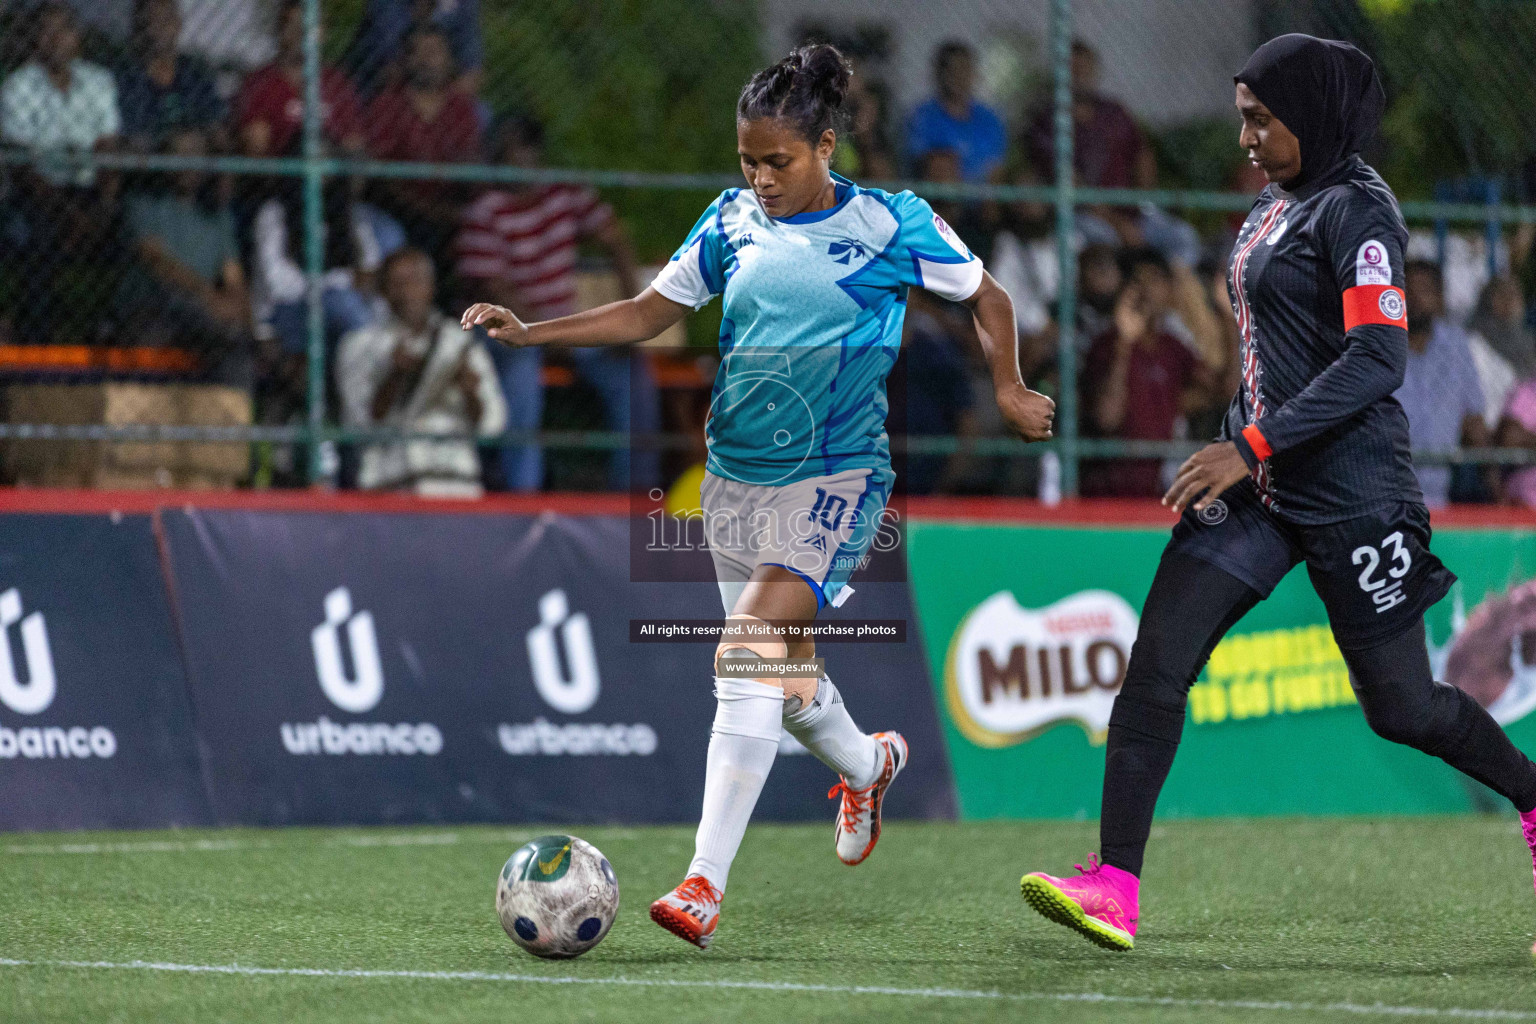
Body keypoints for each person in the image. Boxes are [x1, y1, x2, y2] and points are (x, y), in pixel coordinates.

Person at [462, 44, 1054, 949]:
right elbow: (647, 311)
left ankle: (703, 882)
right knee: (780, 681)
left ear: (825, 146)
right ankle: (869, 764)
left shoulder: (895, 224)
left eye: (778, 161)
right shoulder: (731, 221)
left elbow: (991, 298)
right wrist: (531, 331)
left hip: (838, 480)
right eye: (748, 161)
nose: (761, 177)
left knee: (745, 652)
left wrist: (1008, 388)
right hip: (735, 489)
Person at [1019, 35, 1536, 952]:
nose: (1247, 137)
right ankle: (1113, 885)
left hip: (1354, 491)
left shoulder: (1359, 214)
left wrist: (1249, 440)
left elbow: (1376, 361)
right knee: (1159, 662)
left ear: (1315, 113)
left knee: (1404, 709)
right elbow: (1272, 350)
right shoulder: (1272, 206)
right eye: (1241, 118)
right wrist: (1236, 438)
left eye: (1262, 118)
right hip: (1261, 482)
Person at [454, 113, 656, 492]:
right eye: (507, 151)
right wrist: (549, 335)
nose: (516, 159)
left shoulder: (564, 192)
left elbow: (616, 240)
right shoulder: (484, 212)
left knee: (631, 372)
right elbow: (500, 301)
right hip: (505, 332)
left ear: (536, 153)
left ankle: (634, 496)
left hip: (562, 328)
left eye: (523, 149)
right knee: (520, 369)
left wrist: (635, 312)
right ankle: (522, 498)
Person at [0, 1, 122, 343]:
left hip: (91, 192)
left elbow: (108, 149)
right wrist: (70, 217)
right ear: (34, 39)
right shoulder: (17, 87)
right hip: (40, 196)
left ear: (77, 37)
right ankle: (38, 339)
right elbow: (23, 169)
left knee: (131, 229)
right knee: (31, 238)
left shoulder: (99, 81)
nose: (55, 39)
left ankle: (112, 331)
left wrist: (103, 206)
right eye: (46, 31)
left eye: (63, 30)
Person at [339, 248, 504, 496]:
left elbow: (493, 424)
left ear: (431, 287)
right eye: (397, 284)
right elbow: (357, 425)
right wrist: (394, 377)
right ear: (383, 292)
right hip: (390, 485)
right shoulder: (360, 346)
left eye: (416, 281)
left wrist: (471, 394)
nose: (407, 292)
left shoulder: (461, 344)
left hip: (455, 483)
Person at [1080, 249, 1222, 498]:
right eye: (1138, 281)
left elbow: (1222, 392)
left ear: (1168, 290)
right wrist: (1124, 344)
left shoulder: (1173, 346)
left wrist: (1226, 316)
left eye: (1155, 280)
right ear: (1125, 289)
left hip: (1161, 493)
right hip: (1108, 495)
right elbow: (1107, 418)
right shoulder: (1105, 346)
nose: (1146, 290)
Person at [116, 128, 252, 386]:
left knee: (239, 337)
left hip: (202, 315)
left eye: (195, 153)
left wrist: (241, 309)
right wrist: (209, 296)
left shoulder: (216, 213)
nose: (187, 161)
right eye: (179, 153)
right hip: (153, 307)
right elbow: (157, 261)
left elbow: (233, 275)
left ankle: (233, 421)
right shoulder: (145, 201)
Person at [365, 24, 480, 262]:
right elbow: (382, 177)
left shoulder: (461, 108)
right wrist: (428, 210)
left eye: (435, 52)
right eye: (419, 52)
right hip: (401, 207)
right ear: (406, 59)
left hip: (449, 206)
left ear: (449, 60)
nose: (427, 60)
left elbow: (470, 163)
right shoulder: (387, 103)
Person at [1397, 260, 1496, 507]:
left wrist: (1497, 491)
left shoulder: (1456, 345)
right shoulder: (1378, 343)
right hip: (1383, 492)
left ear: (1440, 298)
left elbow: (1473, 421)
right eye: (1409, 290)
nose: (1417, 299)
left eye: (1426, 290)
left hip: (1438, 497)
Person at [234, 0, 364, 159]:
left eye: (309, 28)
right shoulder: (262, 81)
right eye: (293, 26)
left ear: (323, 34)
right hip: (282, 169)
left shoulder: (335, 82)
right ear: (281, 31)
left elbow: (353, 139)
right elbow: (255, 142)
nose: (300, 34)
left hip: (331, 166)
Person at [1026, 39, 1149, 190]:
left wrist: (1144, 203)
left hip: (1127, 206)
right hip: (1080, 210)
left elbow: (1142, 155)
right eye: (1074, 70)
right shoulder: (1048, 120)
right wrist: (1106, 213)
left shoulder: (1114, 112)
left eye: (1086, 69)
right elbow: (1064, 175)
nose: (1080, 76)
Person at [115, 0, 226, 154]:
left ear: (178, 23)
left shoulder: (195, 71)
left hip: (197, 148)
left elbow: (214, 123)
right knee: (183, 145)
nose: (160, 28)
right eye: (152, 21)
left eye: (166, 20)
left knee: (192, 144)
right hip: (151, 157)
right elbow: (132, 134)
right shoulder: (130, 76)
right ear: (140, 27)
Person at [903, 41, 1007, 184]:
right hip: (941, 196)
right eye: (953, 70)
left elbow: (996, 166)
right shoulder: (923, 117)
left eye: (965, 69)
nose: (959, 77)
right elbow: (925, 163)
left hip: (983, 198)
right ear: (940, 74)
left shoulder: (989, 119)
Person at [344, 0, 484, 98]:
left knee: (481, 114)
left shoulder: (463, 3)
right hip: (375, 86)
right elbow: (390, 69)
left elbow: (472, 71)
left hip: (439, 91)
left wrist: (442, 104)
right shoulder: (386, 4)